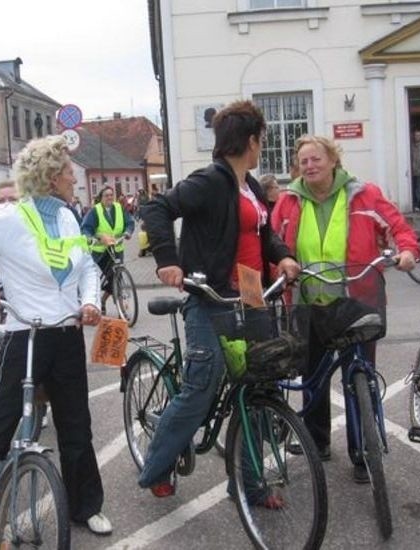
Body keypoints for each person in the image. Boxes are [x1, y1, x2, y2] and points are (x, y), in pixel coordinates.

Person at [0, 135, 112, 537]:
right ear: (52, 176)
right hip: (26, 335)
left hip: (67, 334)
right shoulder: (9, 218)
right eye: (70, 171)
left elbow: (86, 266)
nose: (75, 177)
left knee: (77, 427)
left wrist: (90, 301)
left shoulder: (70, 216)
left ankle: (86, 506)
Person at [139, 100, 300, 497]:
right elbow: (157, 208)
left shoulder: (251, 187)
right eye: (261, 139)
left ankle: (248, 484)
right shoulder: (211, 181)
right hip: (211, 298)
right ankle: (156, 469)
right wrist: (167, 261)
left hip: (251, 295)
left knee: (260, 388)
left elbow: (263, 234)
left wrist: (282, 257)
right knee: (202, 387)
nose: (261, 146)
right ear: (251, 140)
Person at [271, 134, 419, 482]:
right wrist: (279, 263)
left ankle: (362, 450)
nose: (309, 165)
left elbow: (397, 225)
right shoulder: (290, 201)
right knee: (313, 376)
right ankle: (317, 441)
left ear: (333, 160)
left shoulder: (364, 194)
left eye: (316, 159)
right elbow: (273, 241)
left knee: (360, 376)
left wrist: (409, 250)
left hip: (357, 300)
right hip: (308, 301)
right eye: (303, 161)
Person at [81, 185, 135, 314]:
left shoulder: (119, 208)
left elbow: (129, 222)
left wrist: (127, 232)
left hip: (116, 248)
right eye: (106, 195)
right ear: (101, 198)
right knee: (110, 278)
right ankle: (119, 308)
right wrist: (93, 237)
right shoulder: (95, 211)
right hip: (101, 251)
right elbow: (86, 228)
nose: (110, 197)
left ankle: (108, 302)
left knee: (116, 276)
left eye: (111, 195)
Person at [410, 129, 420, 211]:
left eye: (418, 135)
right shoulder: (411, 146)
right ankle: (414, 204)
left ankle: (418, 205)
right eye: (416, 135)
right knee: (413, 188)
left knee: (419, 189)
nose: (417, 137)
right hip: (412, 170)